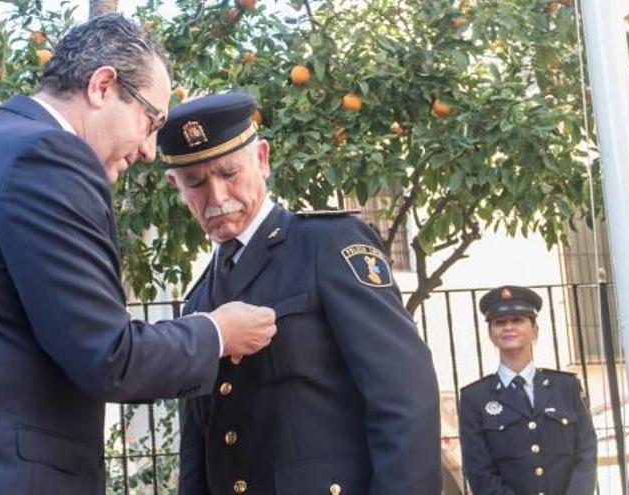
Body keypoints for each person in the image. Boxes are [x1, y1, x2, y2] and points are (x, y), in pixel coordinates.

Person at [0, 15, 277, 495]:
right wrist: (217, 332)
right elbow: (109, 356)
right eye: (150, 121)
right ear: (102, 86)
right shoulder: (47, 158)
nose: (147, 149)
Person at [158, 92, 441, 495]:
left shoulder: (326, 245)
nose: (217, 197)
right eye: (196, 182)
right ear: (176, 186)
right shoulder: (199, 301)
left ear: (262, 158)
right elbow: (198, 448)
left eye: (229, 173)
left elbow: (403, 395)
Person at [459, 286, 597, 495]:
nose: (508, 327)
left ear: (534, 329)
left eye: (517, 320)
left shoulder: (566, 387)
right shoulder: (475, 398)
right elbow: (479, 472)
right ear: (491, 334)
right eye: (499, 323)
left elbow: (586, 453)